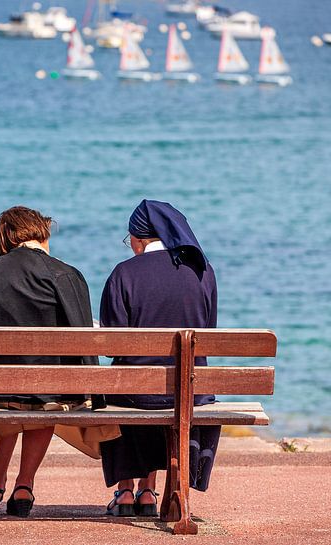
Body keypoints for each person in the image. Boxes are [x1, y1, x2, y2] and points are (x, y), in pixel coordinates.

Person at [0, 206, 118, 518]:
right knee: (45, 400)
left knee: (9, 400)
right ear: (42, 232)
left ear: (5, 236)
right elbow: (83, 337)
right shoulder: (68, 274)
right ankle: (24, 485)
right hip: (52, 391)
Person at [99, 200, 220, 517]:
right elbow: (207, 332)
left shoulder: (124, 273)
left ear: (138, 238)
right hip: (190, 391)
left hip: (137, 394)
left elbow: (114, 346)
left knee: (125, 384)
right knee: (164, 385)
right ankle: (149, 491)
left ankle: (126, 491)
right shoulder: (202, 271)